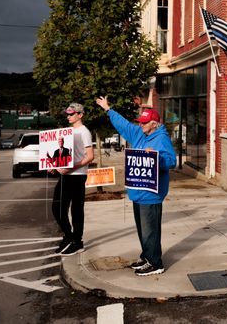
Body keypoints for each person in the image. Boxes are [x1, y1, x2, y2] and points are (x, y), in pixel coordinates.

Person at [95, 95, 177, 276]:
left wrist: (156, 157)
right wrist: (108, 109)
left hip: (151, 193)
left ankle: (156, 263)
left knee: (150, 230)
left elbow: (171, 162)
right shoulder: (140, 133)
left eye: (144, 123)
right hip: (137, 191)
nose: (141, 125)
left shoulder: (161, 139)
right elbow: (123, 125)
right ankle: (147, 256)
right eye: (140, 122)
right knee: (142, 230)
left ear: (154, 124)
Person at [52, 102, 94, 256]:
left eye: (71, 114)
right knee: (57, 208)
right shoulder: (68, 132)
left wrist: (72, 167)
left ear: (80, 115)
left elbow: (90, 156)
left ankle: (77, 241)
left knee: (76, 210)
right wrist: (53, 165)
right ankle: (68, 236)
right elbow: (64, 155)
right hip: (65, 175)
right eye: (67, 114)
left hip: (77, 175)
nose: (68, 116)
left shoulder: (84, 132)